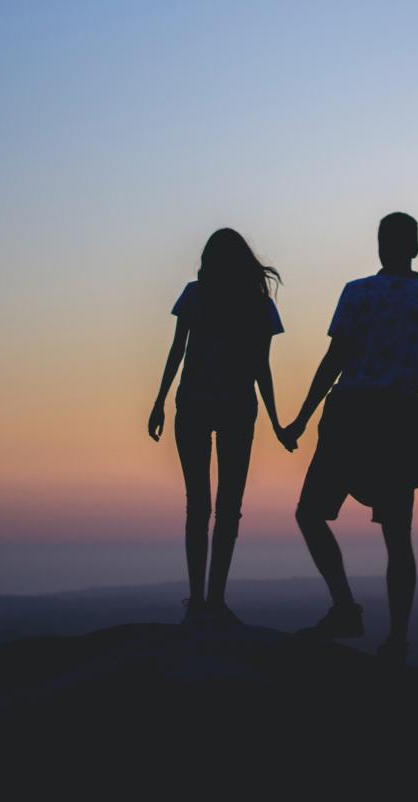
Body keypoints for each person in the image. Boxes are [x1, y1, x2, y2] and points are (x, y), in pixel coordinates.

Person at [282, 212, 418, 666]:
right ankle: (397, 640)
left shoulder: (358, 293)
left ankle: (345, 609)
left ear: (381, 246)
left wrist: (302, 419)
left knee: (310, 514)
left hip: (350, 414)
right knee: (397, 536)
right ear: (416, 248)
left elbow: (334, 359)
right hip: (399, 420)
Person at [149, 228, 292, 626]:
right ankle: (213, 600)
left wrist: (159, 401)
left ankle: (199, 600)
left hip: (194, 404)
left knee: (198, 506)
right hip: (236, 408)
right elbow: (261, 368)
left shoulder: (195, 295)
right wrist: (277, 422)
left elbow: (177, 352)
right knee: (228, 508)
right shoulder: (258, 305)